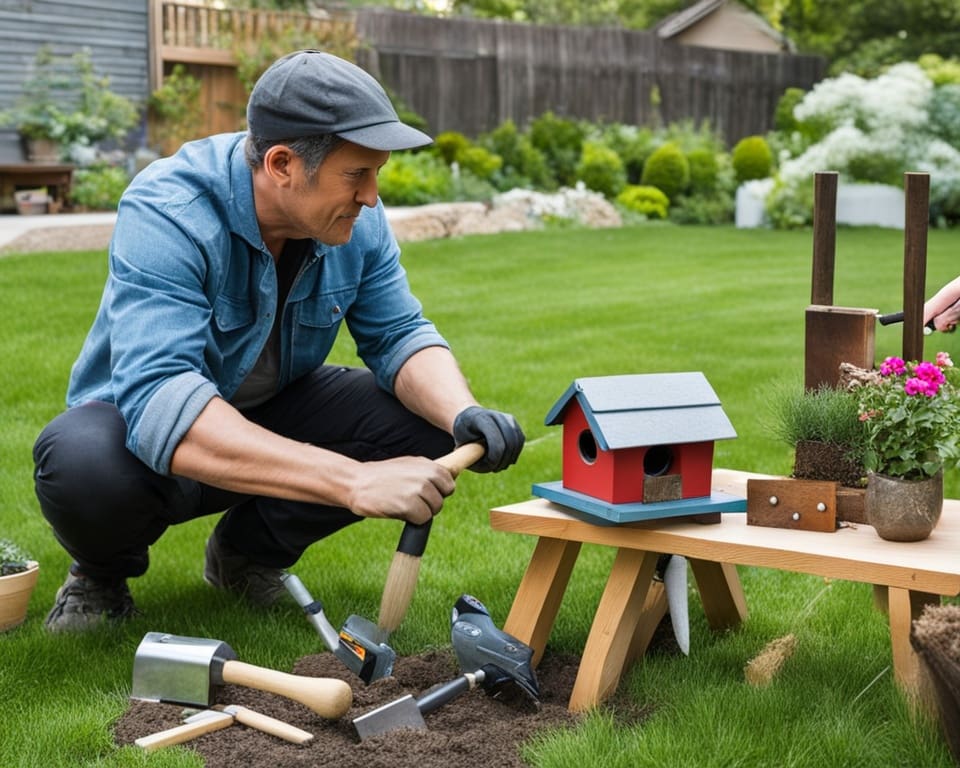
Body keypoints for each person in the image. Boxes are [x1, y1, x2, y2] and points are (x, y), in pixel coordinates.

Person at [33, 50, 525, 633]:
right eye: (356, 174)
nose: (371, 196)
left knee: (425, 426)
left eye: (376, 174)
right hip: (145, 441)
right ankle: (99, 577)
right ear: (283, 163)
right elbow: (162, 398)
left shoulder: (356, 219)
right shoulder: (171, 209)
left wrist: (462, 412)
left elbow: (398, 333)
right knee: (83, 464)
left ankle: (246, 554)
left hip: (266, 416)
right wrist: (352, 480)